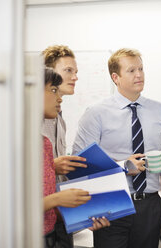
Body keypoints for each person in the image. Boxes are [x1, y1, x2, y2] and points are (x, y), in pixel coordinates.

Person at [72, 48, 161, 248]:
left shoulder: (159, 110)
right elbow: (81, 164)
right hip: (110, 203)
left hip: (150, 204)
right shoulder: (96, 113)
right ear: (115, 77)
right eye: (131, 70)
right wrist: (123, 166)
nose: (139, 75)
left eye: (141, 69)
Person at [42, 68, 110, 248]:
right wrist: (57, 199)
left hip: (51, 234)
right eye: (54, 90)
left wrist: (86, 215)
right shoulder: (13, 143)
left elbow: (47, 204)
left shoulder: (43, 143)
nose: (60, 98)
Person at [42, 45, 88, 247]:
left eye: (76, 72)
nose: (75, 77)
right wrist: (54, 164)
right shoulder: (30, 122)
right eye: (68, 70)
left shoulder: (59, 119)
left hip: (58, 215)